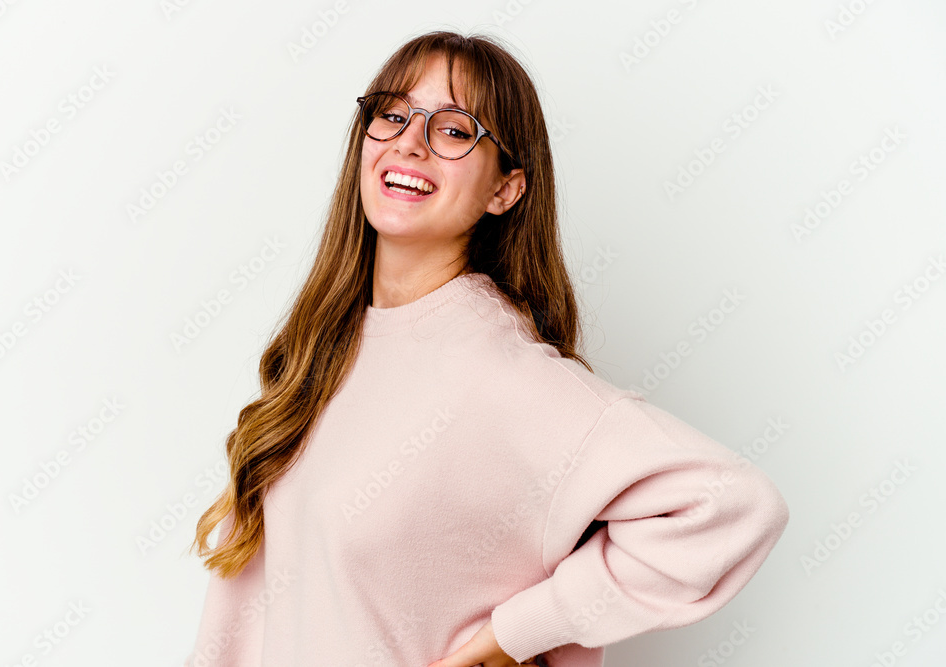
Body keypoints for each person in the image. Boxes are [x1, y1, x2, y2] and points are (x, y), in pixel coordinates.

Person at [184, 30, 790, 667]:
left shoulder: (499, 374)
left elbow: (733, 504)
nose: (410, 141)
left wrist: (510, 638)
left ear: (506, 190)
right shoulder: (324, 352)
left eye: (453, 130)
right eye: (392, 114)